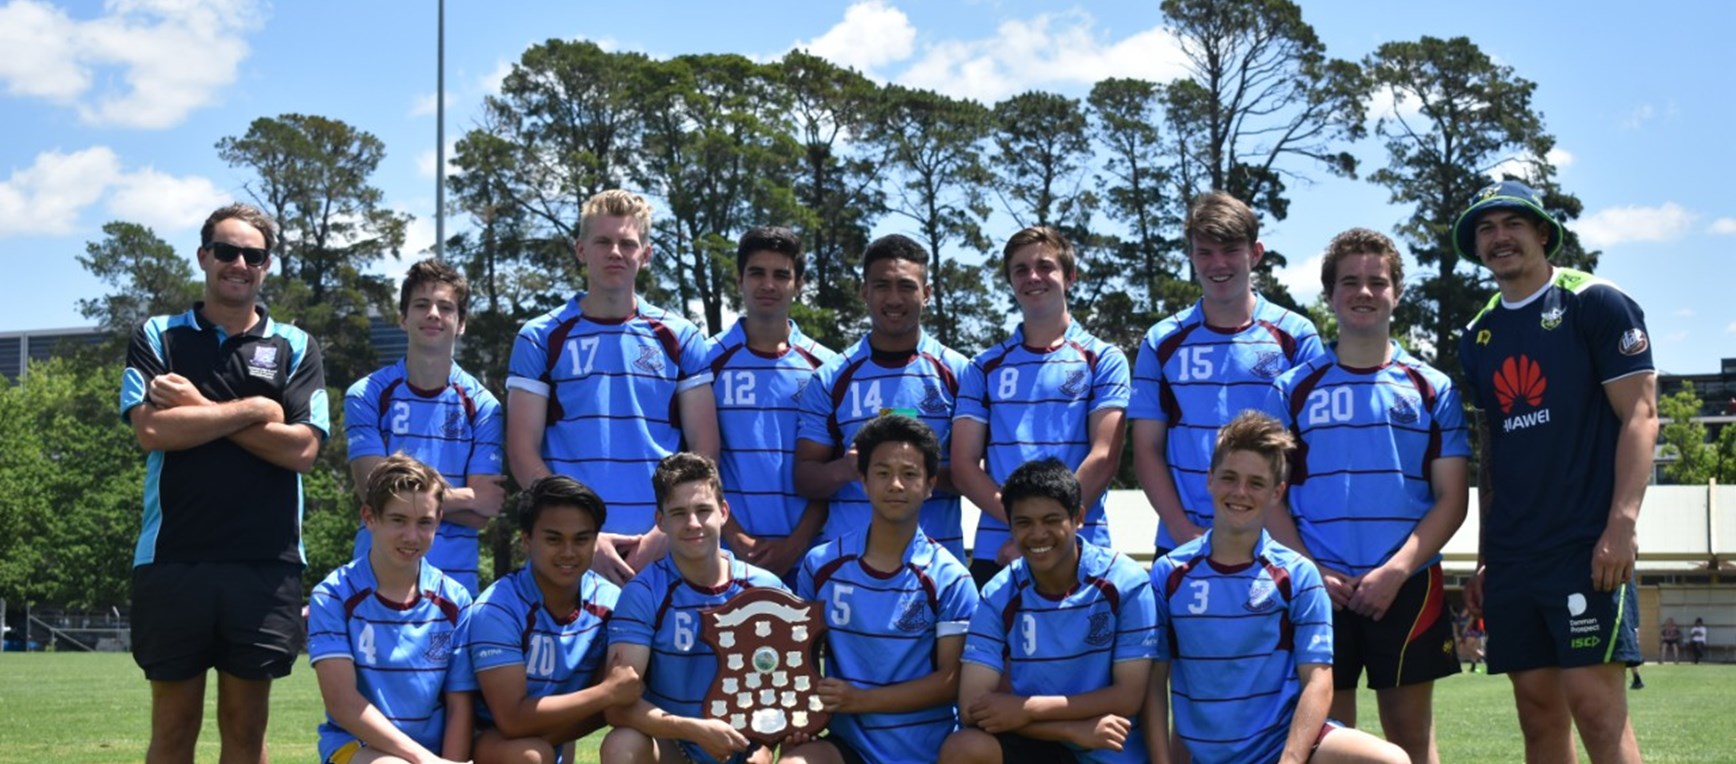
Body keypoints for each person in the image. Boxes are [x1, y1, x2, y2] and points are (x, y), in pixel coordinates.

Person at [1457, 179, 1658, 763]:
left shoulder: (1595, 301)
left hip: (1586, 543)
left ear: (1543, 232)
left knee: (1596, 709)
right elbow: (1493, 451)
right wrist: (1487, 556)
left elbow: (1642, 415)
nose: (1499, 237)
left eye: (1513, 224)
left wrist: (1621, 525)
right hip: (1515, 554)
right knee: (1538, 715)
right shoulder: (1477, 335)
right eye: (1486, 229)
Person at [121, 203, 328, 763]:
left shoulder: (294, 345)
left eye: (253, 255)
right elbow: (153, 430)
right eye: (227, 251)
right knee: (173, 730)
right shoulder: (158, 335)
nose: (240, 264)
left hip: (266, 564)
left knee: (245, 732)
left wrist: (197, 407)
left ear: (266, 266)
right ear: (203, 256)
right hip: (172, 560)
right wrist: (257, 410)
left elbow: (302, 450)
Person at [1261, 228, 1469, 763]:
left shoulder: (1432, 387)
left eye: (1378, 281)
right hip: (1317, 586)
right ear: (1329, 294)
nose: (1364, 292)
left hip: (1408, 584)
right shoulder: (1292, 389)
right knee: (1329, 741)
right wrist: (1310, 570)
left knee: (1411, 737)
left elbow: (1452, 498)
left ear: (1397, 292)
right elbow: (1270, 497)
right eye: (1350, 281)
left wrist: (1396, 570)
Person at [1145, 412, 1407, 764]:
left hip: (1285, 746)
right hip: (1209, 754)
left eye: (1256, 483)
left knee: (1391, 761)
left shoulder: (1298, 574)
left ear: (1276, 492)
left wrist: (1290, 760)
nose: (1240, 492)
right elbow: (1154, 681)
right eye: (1229, 478)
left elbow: (1318, 681)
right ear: (1209, 480)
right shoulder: (1169, 574)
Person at [505, 189, 718, 583]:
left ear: (646, 254)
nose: (615, 253)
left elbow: (704, 452)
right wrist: (582, 535)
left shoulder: (681, 336)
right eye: (603, 241)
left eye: (627, 243)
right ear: (581, 250)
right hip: (571, 552)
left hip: (662, 549)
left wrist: (663, 532)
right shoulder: (539, 337)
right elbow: (521, 452)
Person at [1129, 192, 1325, 557]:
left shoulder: (1297, 336)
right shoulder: (1161, 341)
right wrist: (1181, 531)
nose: (1218, 263)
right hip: (1183, 545)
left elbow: (1310, 449)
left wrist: (1285, 541)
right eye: (1205, 252)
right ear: (1191, 256)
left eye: (1231, 249)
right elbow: (1146, 449)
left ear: (1256, 253)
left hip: (1272, 550)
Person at [782, 415, 980, 764]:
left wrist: (860, 700)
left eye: (910, 474)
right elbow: (800, 660)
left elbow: (951, 681)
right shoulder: (821, 564)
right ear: (863, 480)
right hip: (849, 748)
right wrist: (800, 718)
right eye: (883, 472)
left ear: (930, 485)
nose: (896, 485)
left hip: (927, 754)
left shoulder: (951, 578)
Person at [940, 458, 1156, 763]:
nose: (1038, 534)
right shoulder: (997, 594)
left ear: (1078, 518)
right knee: (963, 748)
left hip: (1110, 750)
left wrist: (1027, 708)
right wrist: (1071, 730)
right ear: (1010, 525)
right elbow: (972, 707)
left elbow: (1128, 696)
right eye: (1024, 523)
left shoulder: (1126, 583)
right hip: (1042, 743)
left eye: (1051, 520)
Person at [953, 226, 1130, 587]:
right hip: (999, 550)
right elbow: (963, 465)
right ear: (1010, 281)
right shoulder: (982, 367)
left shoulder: (1104, 359)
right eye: (1021, 269)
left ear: (1070, 276)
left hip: (1082, 547)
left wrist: (1045, 532)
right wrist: (1025, 530)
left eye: (1045, 266)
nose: (1033, 277)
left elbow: (1104, 456)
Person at [599, 453, 785, 764]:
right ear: (661, 521)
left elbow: (791, 683)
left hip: (747, 751)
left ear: (723, 512)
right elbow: (617, 706)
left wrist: (765, 746)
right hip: (676, 749)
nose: (693, 524)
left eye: (703, 510)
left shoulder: (765, 588)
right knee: (622, 745)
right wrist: (694, 730)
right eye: (678, 513)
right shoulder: (644, 593)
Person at [796, 234, 969, 561]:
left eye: (906, 286)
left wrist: (919, 472)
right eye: (881, 286)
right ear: (864, 292)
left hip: (936, 567)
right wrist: (848, 468)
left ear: (927, 294)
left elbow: (978, 473)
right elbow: (805, 478)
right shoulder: (831, 377)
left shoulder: (960, 373)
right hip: (847, 565)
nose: (893, 299)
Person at [447, 475, 643, 763]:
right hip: (489, 739)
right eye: (553, 539)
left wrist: (609, 698)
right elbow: (512, 721)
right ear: (527, 540)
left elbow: (624, 698)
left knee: (630, 737)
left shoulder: (612, 603)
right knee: (530, 756)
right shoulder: (497, 609)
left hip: (550, 736)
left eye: (581, 539)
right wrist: (606, 693)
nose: (568, 552)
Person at [346, 258, 506, 596]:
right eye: (421, 305)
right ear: (403, 318)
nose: (433, 314)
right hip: (375, 584)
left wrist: (399, 502)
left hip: (454, 588)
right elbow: (372, 492)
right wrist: (464, 497)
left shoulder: (484, 406)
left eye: (445, 307)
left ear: (461, 323)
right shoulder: (367, 394)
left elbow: (483, 513)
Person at [307, 455, 472, 764]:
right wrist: (427, 761)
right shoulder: (333, 596)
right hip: (356, 746)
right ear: (369, 517)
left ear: (438, 520)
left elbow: (459, 704)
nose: (411, 536)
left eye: (424, 522)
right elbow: (342, 703)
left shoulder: (455, 599)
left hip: (433, 754)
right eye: (398, 520)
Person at [707, 226, 837, 580]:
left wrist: (797, 543)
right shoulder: (704, 360)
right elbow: (695, 462)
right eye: (756, 273)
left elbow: (832, 470)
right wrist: (736, 537)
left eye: (781, 275)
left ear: (799, 284)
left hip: (810, 558)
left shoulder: (828, 367)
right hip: (727, 557)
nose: (768, 284)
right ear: (739, 280)